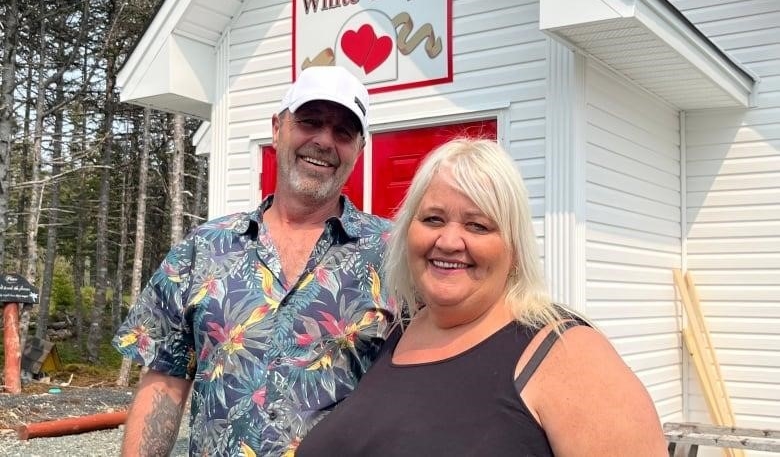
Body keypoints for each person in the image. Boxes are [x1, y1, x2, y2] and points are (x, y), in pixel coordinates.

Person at [296, 138, 668, 456]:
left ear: (514, 248)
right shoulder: (399, 331)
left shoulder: (566, 354)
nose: (449, 242)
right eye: (433, 220)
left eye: (478, 225)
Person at [113, 65, 396, 456]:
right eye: (310, 122)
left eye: (343, 132)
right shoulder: (204, 248)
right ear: (277, 128)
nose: (324, 141)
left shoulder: (394, 253)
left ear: (359, 150)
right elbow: (165, 377)